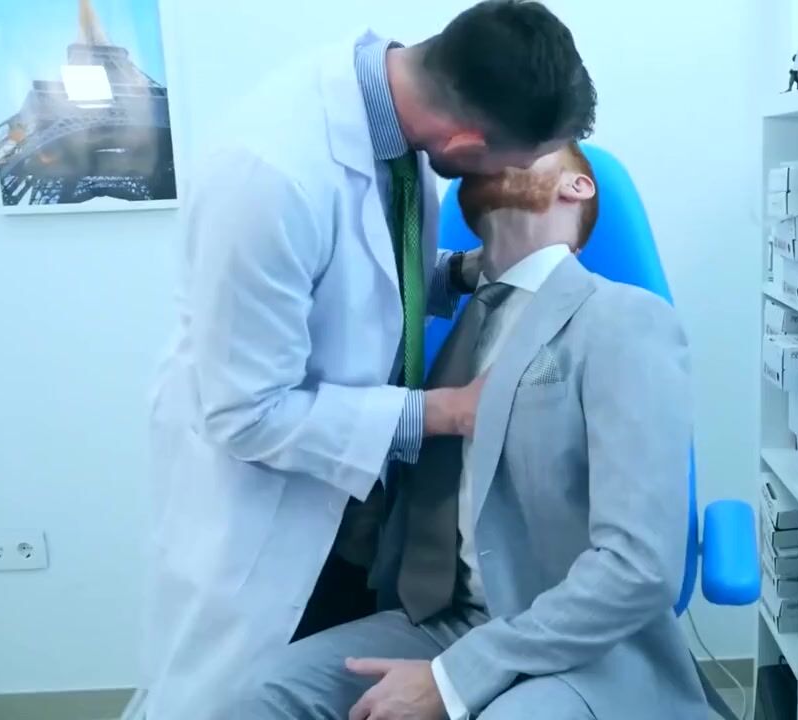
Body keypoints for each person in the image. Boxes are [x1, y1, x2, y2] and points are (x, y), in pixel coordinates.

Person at [143, 2, 596, 718]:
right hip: (272, 497)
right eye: (513, 162)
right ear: (466, 140)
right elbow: (245, 413)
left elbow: (364, 278)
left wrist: (459, 273)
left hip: (383, 524)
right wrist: (448, 412)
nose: (513, 178)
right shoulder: (269, 175)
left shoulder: (400, 114)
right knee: (252, 697)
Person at [229, 143, 709, 719]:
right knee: (261, 697)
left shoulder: (623, 318)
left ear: (577, 186)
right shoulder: (455, 322)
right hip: (442, 622)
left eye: (530, 144)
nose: (501, 148)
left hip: (585, 648)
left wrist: (453, 679)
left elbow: (640, 564)